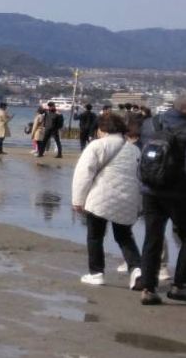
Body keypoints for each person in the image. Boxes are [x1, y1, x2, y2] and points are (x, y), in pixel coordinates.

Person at [71, 110, 142, 288]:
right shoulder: (134, 150)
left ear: (102, 129)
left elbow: (83, 174)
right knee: (124, 236)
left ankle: (96, 273)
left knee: (95, 236)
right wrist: (139, 204)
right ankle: (137, 269)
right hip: (128, 197)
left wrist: (78, 200)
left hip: (100, 197)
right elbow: (140, 177)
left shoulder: (97, 145)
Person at [136, 93, 186, 305]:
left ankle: (148, 288)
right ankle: (179, 285)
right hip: (179, 191)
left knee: (152, 237)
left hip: (150, 189)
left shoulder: (151, 123)